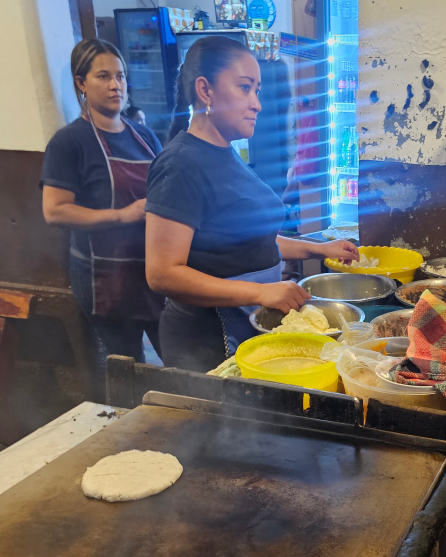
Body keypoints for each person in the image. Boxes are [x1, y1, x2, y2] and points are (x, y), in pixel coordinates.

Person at [144, 35, 358, 372]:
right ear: (205, 90)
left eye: (257, 91)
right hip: (207, 342)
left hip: (246, 327)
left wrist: (318, 249)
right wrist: (260, 293)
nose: (256, 103)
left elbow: (250, 241)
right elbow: (162, 274)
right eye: (245, 88)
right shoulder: (180, 164)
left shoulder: (225, 154)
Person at [42, 39, 164, 383]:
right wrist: (123, 215)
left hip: (152, 271)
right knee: (127, 371)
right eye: (103, 76)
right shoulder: (69, 142)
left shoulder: (145, 137)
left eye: (120, 76)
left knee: (176, 359)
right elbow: (55, 211)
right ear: (81, 83)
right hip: (106, 280)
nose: (116, 85)